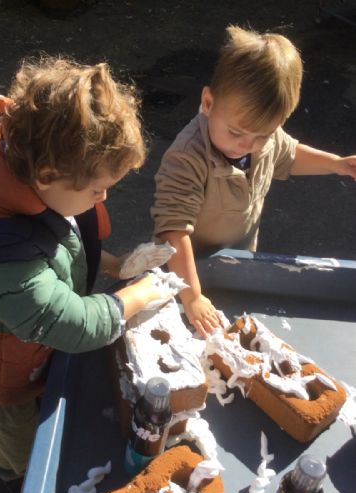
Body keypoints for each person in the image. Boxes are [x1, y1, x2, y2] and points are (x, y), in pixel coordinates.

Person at [0, 56, 173, 493]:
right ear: (46, 175)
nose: (104, 196)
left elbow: (60, 244)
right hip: (4, 375)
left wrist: (114, 265)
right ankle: (10, 481)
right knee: (22, 448)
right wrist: (139, 293)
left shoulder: (39, 189)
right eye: (96, 189)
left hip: (29, 346)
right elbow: (70, 322)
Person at [151, 25, 356, 338]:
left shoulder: (262, 138)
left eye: (263, 135)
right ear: (208, 102)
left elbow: (289, 155)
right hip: (186, 273)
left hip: (238, 261)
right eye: (236, 132)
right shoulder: (187, 157)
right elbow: (173, 231)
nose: (247, 145)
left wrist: (337, 164)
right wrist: (191, 296)